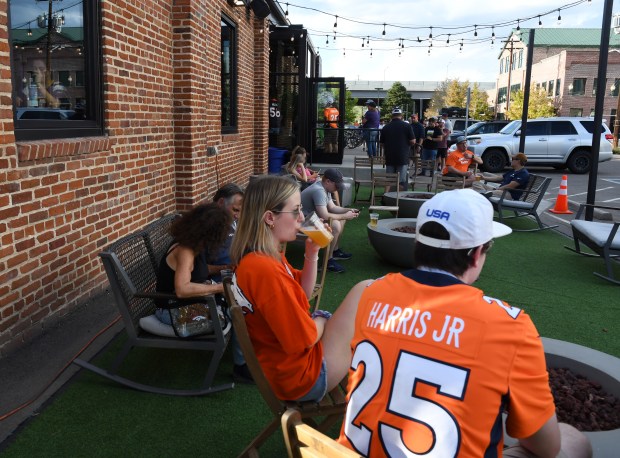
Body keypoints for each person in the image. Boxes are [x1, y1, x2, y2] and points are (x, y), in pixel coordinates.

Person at [338, 189, 592, 458]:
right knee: (573, 442)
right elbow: (546, 446)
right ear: (476, 254)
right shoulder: (509, 325)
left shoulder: (370, 293)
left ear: (418, 243)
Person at [229, 175, 358, 402]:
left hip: (289, 369)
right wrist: (323, 320)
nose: (302, 218)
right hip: (303, 377)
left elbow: (303, 293)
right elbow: (304, 339)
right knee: (364, 290)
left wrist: (311, 254)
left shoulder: (266, 257)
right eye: (296, 211)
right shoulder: (263, 269)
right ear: (270, 217)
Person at [155, 203, 231, 326]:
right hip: (172, 311)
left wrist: (223, 268)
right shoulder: (185, 250)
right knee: (232, 313)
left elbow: (195, 270)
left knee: (236, 306)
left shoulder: (193, 243)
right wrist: (219, 287)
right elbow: (182, 289)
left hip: (186, 305)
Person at [301, 168, 359, 273]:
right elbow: (325, 215)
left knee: (341, 219)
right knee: (336, 224)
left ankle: (334, 251)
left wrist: (348, 210)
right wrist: (345, 215)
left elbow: (332, 208)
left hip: (311, 219)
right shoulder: (319, 191)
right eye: (336, 186)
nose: (337, 189)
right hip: (303, 223)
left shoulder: (324, 187)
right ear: (328, 181)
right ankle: (327, 262)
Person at [379, 107, 415, 191]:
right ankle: (399, 200)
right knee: (401, 181)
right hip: (402, 156)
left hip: (389, 156)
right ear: (401, 116)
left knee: (389, 179)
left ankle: (385, 196)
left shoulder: (386, 127)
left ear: (392, 116)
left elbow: (381, 143)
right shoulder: (407, 126)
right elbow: (413, 141)